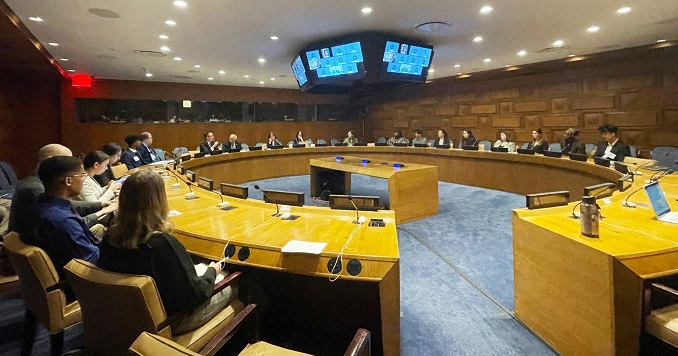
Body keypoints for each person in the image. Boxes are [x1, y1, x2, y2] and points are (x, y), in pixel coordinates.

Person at [97, 170, 236, 334]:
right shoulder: (161, 244)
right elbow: (196, 295)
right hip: (171, 321)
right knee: (243, 282)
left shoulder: (108, 237)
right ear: (159, 202)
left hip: (127, 316)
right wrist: (213, 271)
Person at [9, 144, 117, 242]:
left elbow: (67, 205)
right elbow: (61, 222)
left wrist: (100, 205)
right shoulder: (35, 188)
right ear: (51, 161)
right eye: (67, 159)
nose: (72, 164)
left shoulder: (42, 183)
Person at [24, 156, 102, 274]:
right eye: (82, 176)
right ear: (68, 181)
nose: (83, 180)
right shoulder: (62, 219)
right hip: (82, 278)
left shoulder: (39, 204)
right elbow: (90, 258)